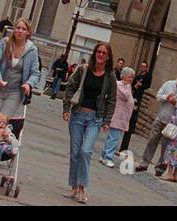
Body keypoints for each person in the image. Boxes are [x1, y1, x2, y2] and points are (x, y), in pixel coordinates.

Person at [62, 42, 117, 203]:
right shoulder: (83, 69)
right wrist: (66, 108)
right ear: (94, 54)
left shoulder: (110, 76)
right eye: (98, 52)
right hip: (78, 115)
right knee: (75, 152)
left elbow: (112, 100)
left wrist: (107, 120)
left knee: (86, 151)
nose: (100, 55)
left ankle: (82, 187)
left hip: (95, 118)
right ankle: (73, 187)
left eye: (103, 53)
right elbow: (70, 88)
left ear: (108, 57)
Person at [0, 19, 41, 138]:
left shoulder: (32, 50)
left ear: (28, 32)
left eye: (23, 29)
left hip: (15, 91)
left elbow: (35, 73)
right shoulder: (5, 43)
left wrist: (28, 84)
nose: (20, 31)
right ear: (14, 29)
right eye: (18, 28)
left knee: (2, 122)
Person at [136, 69, 177, 175]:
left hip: (171, 123)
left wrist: (175, 104)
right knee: (152, 140)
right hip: (160, 118)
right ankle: (144, 163)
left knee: (165, 147)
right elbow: (158, 96)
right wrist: (166, 97)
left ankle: (160, 168)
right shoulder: (168, 84)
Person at [101, 66, 137, 167]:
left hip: (122, 118)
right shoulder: (120, 85)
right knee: (113, 138)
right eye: (130, 77)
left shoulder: (127, 86)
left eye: (132, 77)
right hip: (117, 116)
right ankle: (108, 157)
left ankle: (104, 155)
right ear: (124, 76)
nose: (131, 79)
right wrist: (127, 86)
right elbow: (125, 96)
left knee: (112, 137)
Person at [123, 60, 153, 153]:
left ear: (147, 67)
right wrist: (136, 86)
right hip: (135, 95)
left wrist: (141, 85)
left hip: (140, 97)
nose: (143, 68)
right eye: (142, 66)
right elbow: (133, 85)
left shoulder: (148, 76)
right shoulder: (138, 75)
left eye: (144, 66)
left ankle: (131, 127)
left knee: (134, 113)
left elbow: (147, 86)